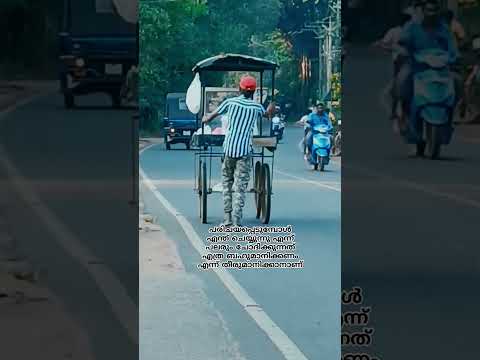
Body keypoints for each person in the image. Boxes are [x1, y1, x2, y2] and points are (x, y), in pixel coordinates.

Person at [202, 75, 274, 226]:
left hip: (229, 149)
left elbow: (210, 117)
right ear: (254, 92)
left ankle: (227, 219)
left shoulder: (230, 102)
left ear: (239, 89)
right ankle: (236, 220)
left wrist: (206, 118)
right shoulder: (256, 107)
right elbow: (267, 115)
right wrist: (270, 109)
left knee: (227, 184)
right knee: (240, 187)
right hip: (245, 151)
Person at [397, 0, 458, 149]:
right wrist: (405, 50)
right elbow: (403, 41)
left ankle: (452, 115)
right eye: (428, 10)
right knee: (402, 81)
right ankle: (404, 114)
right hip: (417, 68)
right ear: (423, 11)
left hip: (441, 71)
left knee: (458, 82)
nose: (431, 14)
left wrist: (455, 56)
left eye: (434, 10)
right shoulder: (413, 27)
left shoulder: (444, 29)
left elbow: (453, 48)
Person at [372, 14, 412, 128]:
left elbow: (385, 43)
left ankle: (395, 110)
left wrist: (384, 46)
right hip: (406, 61)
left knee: (398, 85)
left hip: (401, 61)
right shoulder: (410, 31)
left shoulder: (395, 31)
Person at [305, 102, 332, 169]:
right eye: (319, 108)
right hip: (314, 132)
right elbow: (307, 121)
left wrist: (330, 127)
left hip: (324, 133)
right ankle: (309, 152)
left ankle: (329, 153)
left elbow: (329, 123)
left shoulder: (325, 116)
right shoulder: (312, 115)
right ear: (317, 108)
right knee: (308, 139)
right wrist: (308, 125)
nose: (320, 109)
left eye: (321, 108)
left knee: (331, 138)